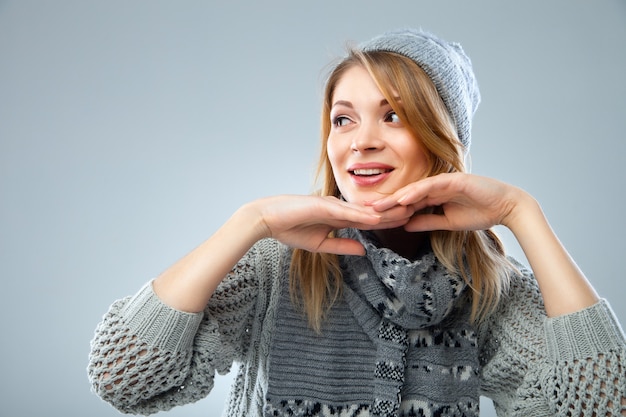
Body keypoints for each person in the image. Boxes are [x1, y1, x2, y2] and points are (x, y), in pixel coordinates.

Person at [87, 28, 626, 417]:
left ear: (441, 143)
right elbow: (122, 378)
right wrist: (246, 224)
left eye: (393, 115)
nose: (361, 139)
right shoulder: (277, 265)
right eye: (343, 118)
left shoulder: (484, 287)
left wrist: (520, 213)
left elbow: (605, 403)